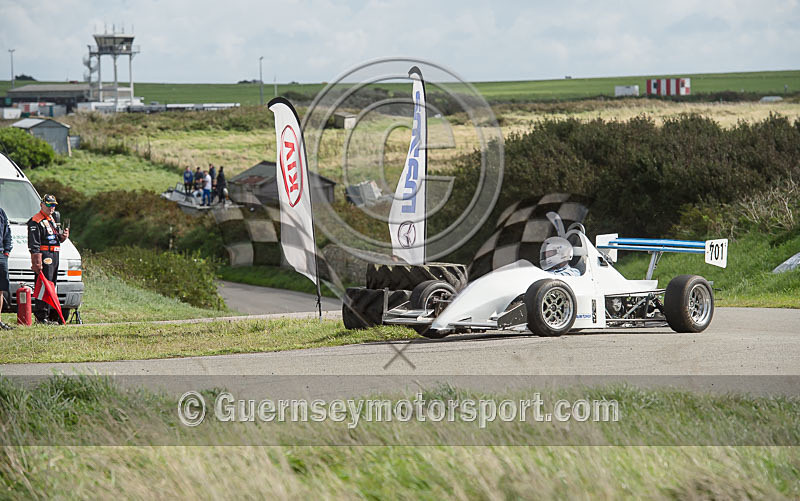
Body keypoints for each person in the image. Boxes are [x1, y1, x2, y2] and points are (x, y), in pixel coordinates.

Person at [27, 194, 69, 323]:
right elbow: (34, 244)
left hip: (55, 255)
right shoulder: (36, 220)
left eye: (54, 205)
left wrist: (62, 237)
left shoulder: (52, 219)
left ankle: (49, 315)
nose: (52, 208)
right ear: (42, 204)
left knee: (51, 286)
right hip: (45, 257)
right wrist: (36, 262)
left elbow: (54, 239)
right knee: (43, 286)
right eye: (49, 205)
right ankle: (41, 316)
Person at [0, 206, 13, 329]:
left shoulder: (1, 212)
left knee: (0, 290)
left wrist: (6, 251)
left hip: (0, 255)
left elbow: (7, 233)